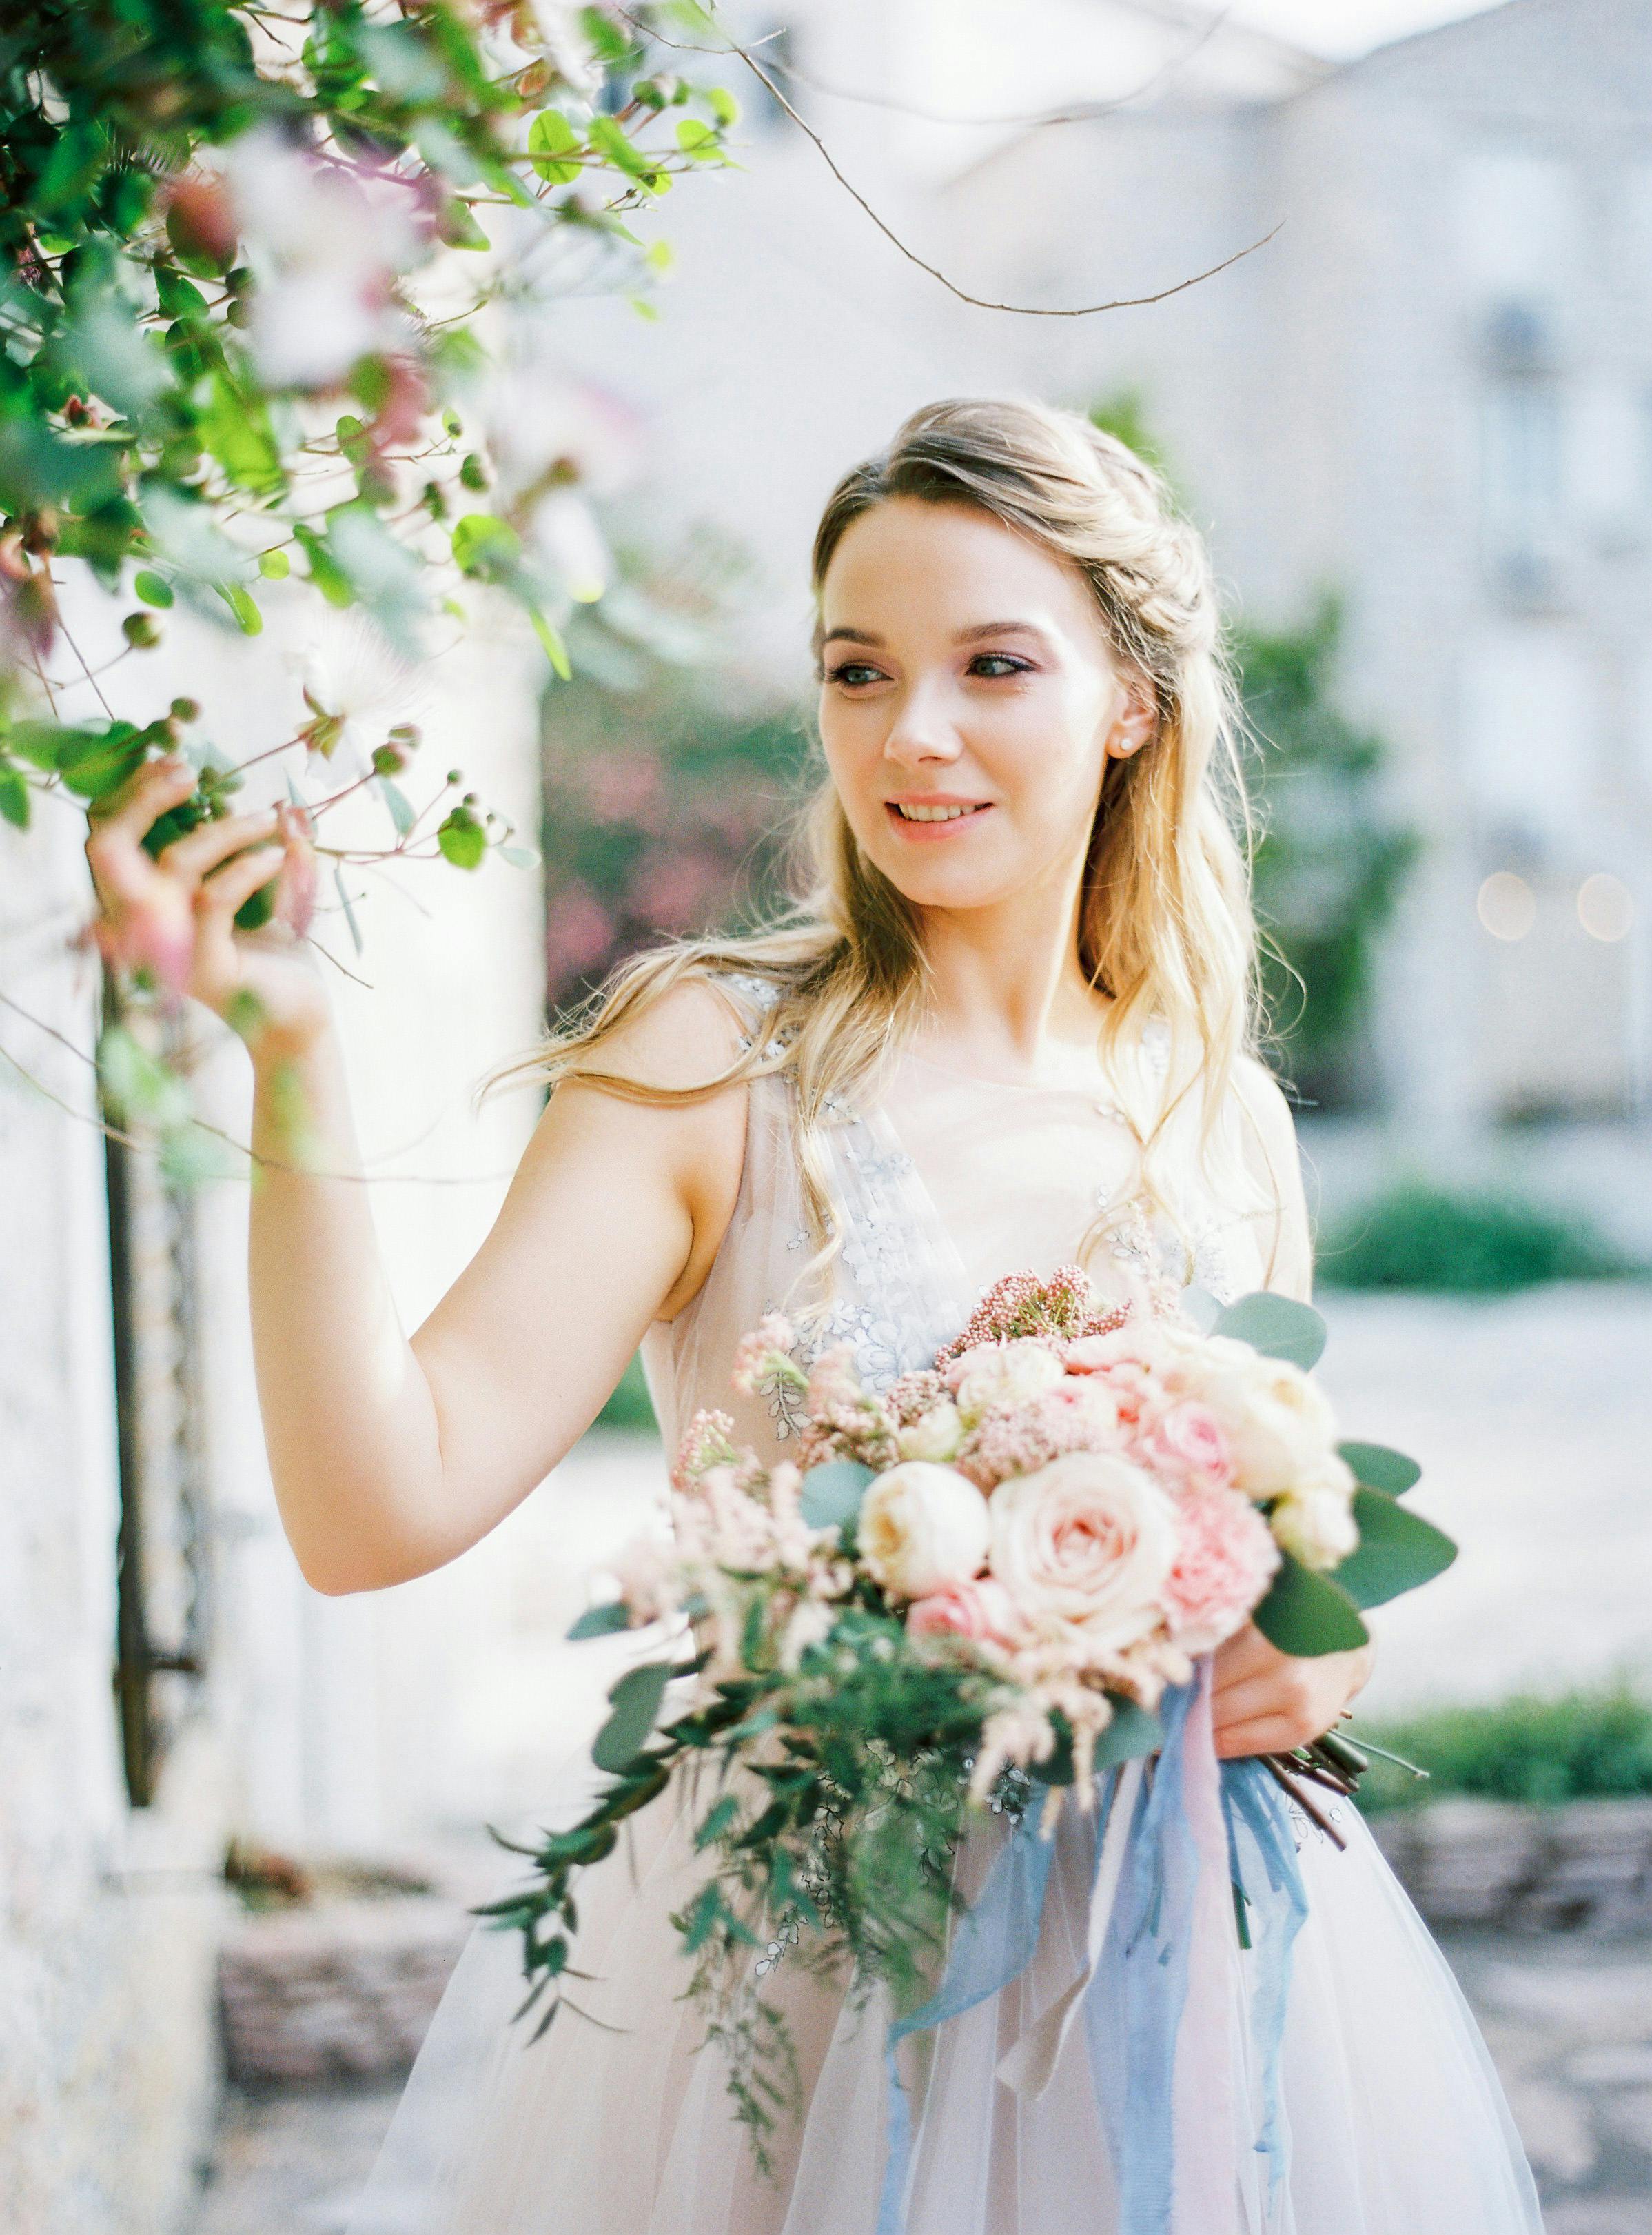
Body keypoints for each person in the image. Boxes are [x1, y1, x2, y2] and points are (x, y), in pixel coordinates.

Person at [87, 397, 1541, 2233]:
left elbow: (1276, 1561)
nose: (910, 734)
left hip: (1175, 1984)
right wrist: (287, 1055)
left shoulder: (1218, 1116)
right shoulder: (714, 1060)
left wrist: (1316, 1665)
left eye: (992, 664)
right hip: (799, 1992)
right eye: (859, 671)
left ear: (1132, 699)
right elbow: (378, 1506)